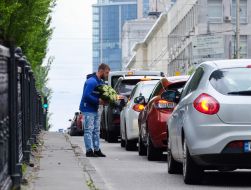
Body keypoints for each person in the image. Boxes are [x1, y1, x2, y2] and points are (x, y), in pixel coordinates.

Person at [79, 63, 110, 157]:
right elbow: (86, 95)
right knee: (89, 129)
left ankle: (96, 149)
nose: (107, 75)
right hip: (88, 108)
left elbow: (101, 95)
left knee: (96, 130)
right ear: (101, 71)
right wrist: (98, 101)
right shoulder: (91, 81)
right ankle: (89, 151)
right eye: (106, 72)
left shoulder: (100, 82)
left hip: (96, 108)